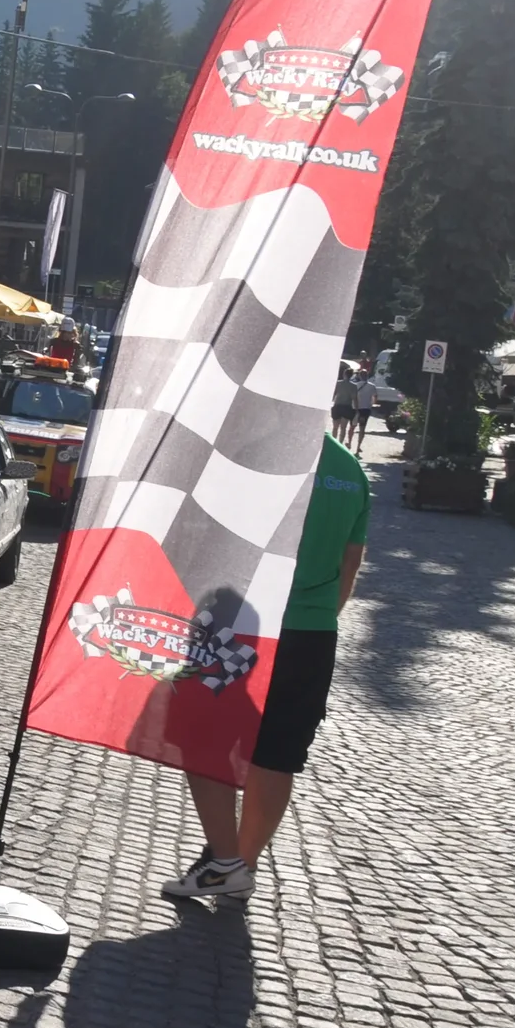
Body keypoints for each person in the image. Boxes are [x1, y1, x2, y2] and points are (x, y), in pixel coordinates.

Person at [160, 431, 370, 901]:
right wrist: (312, 620)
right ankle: (241, 866)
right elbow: (350, 565)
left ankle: (227, 860)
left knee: (204, 740)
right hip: (313, 635)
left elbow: (213, 539)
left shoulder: (259, 449)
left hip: (243, 624)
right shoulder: (351, 472)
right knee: (279, 755)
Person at [328, 363, 359, 444]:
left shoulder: (338, 383)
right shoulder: (353, 386)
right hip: (346, 407)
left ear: (344, 374)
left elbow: (333, 394)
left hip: (337, 406)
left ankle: (333, 442)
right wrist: (356, 409)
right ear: (351, 375)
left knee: (335, 427)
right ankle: (340, 443)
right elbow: (354, 398)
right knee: (343, 428)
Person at [351, 368, 379, 450]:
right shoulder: (372, 386)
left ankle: (349, 442)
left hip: (355, 408)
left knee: (352, 426)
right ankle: (358, 446)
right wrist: (372, 404)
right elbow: (375, 397)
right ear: (367, 376)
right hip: (365, 409)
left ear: (359, 376)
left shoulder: (355, 385)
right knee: (362, 428)